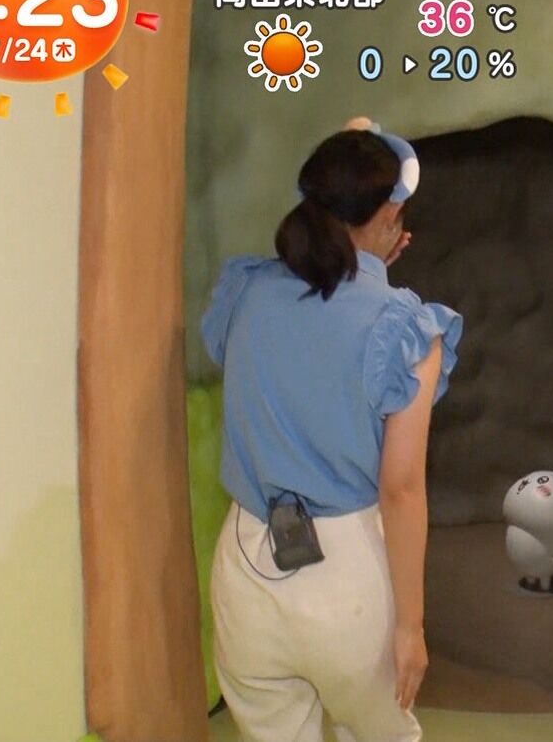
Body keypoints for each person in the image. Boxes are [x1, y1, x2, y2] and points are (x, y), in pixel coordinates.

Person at [201, 118, 461, 741]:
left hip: (245, 562)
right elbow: (401, 488)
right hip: (347, 577)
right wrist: (411, 627)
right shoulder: (406, 328)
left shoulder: (246, 290)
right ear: (390, 218)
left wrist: (362, 260)